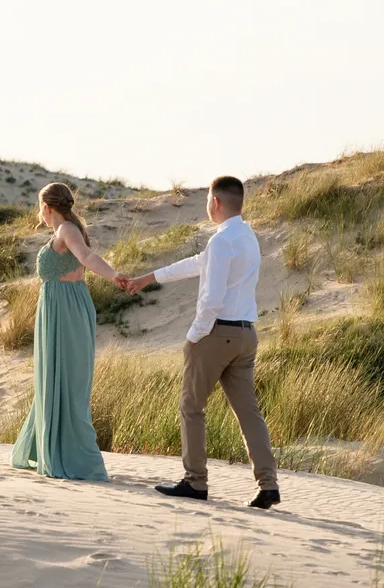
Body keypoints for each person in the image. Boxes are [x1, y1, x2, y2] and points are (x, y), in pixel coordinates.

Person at [119, 175, 280, 509]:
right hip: (246, 335)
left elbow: (212, 299)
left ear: (216, 203)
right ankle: (269, 485)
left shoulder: (222, 242)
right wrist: (150, 277)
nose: (206, 204)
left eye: (208, 199)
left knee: (191, 407)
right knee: (249, 413)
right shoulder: (246, 236)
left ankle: (195, 482)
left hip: (216, 333)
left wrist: (194, 336)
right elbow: (198, 263)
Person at [11, 182, 130, 481]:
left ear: (47, 208)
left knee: (68, 382)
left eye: (40, 206)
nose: (39, 211)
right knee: (53, 378)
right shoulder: (63, 230)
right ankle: (46, 448)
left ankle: (79, 460)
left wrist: (114, 274)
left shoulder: (66, 231)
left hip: (65, 309)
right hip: (55, 309)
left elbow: (86, 257)